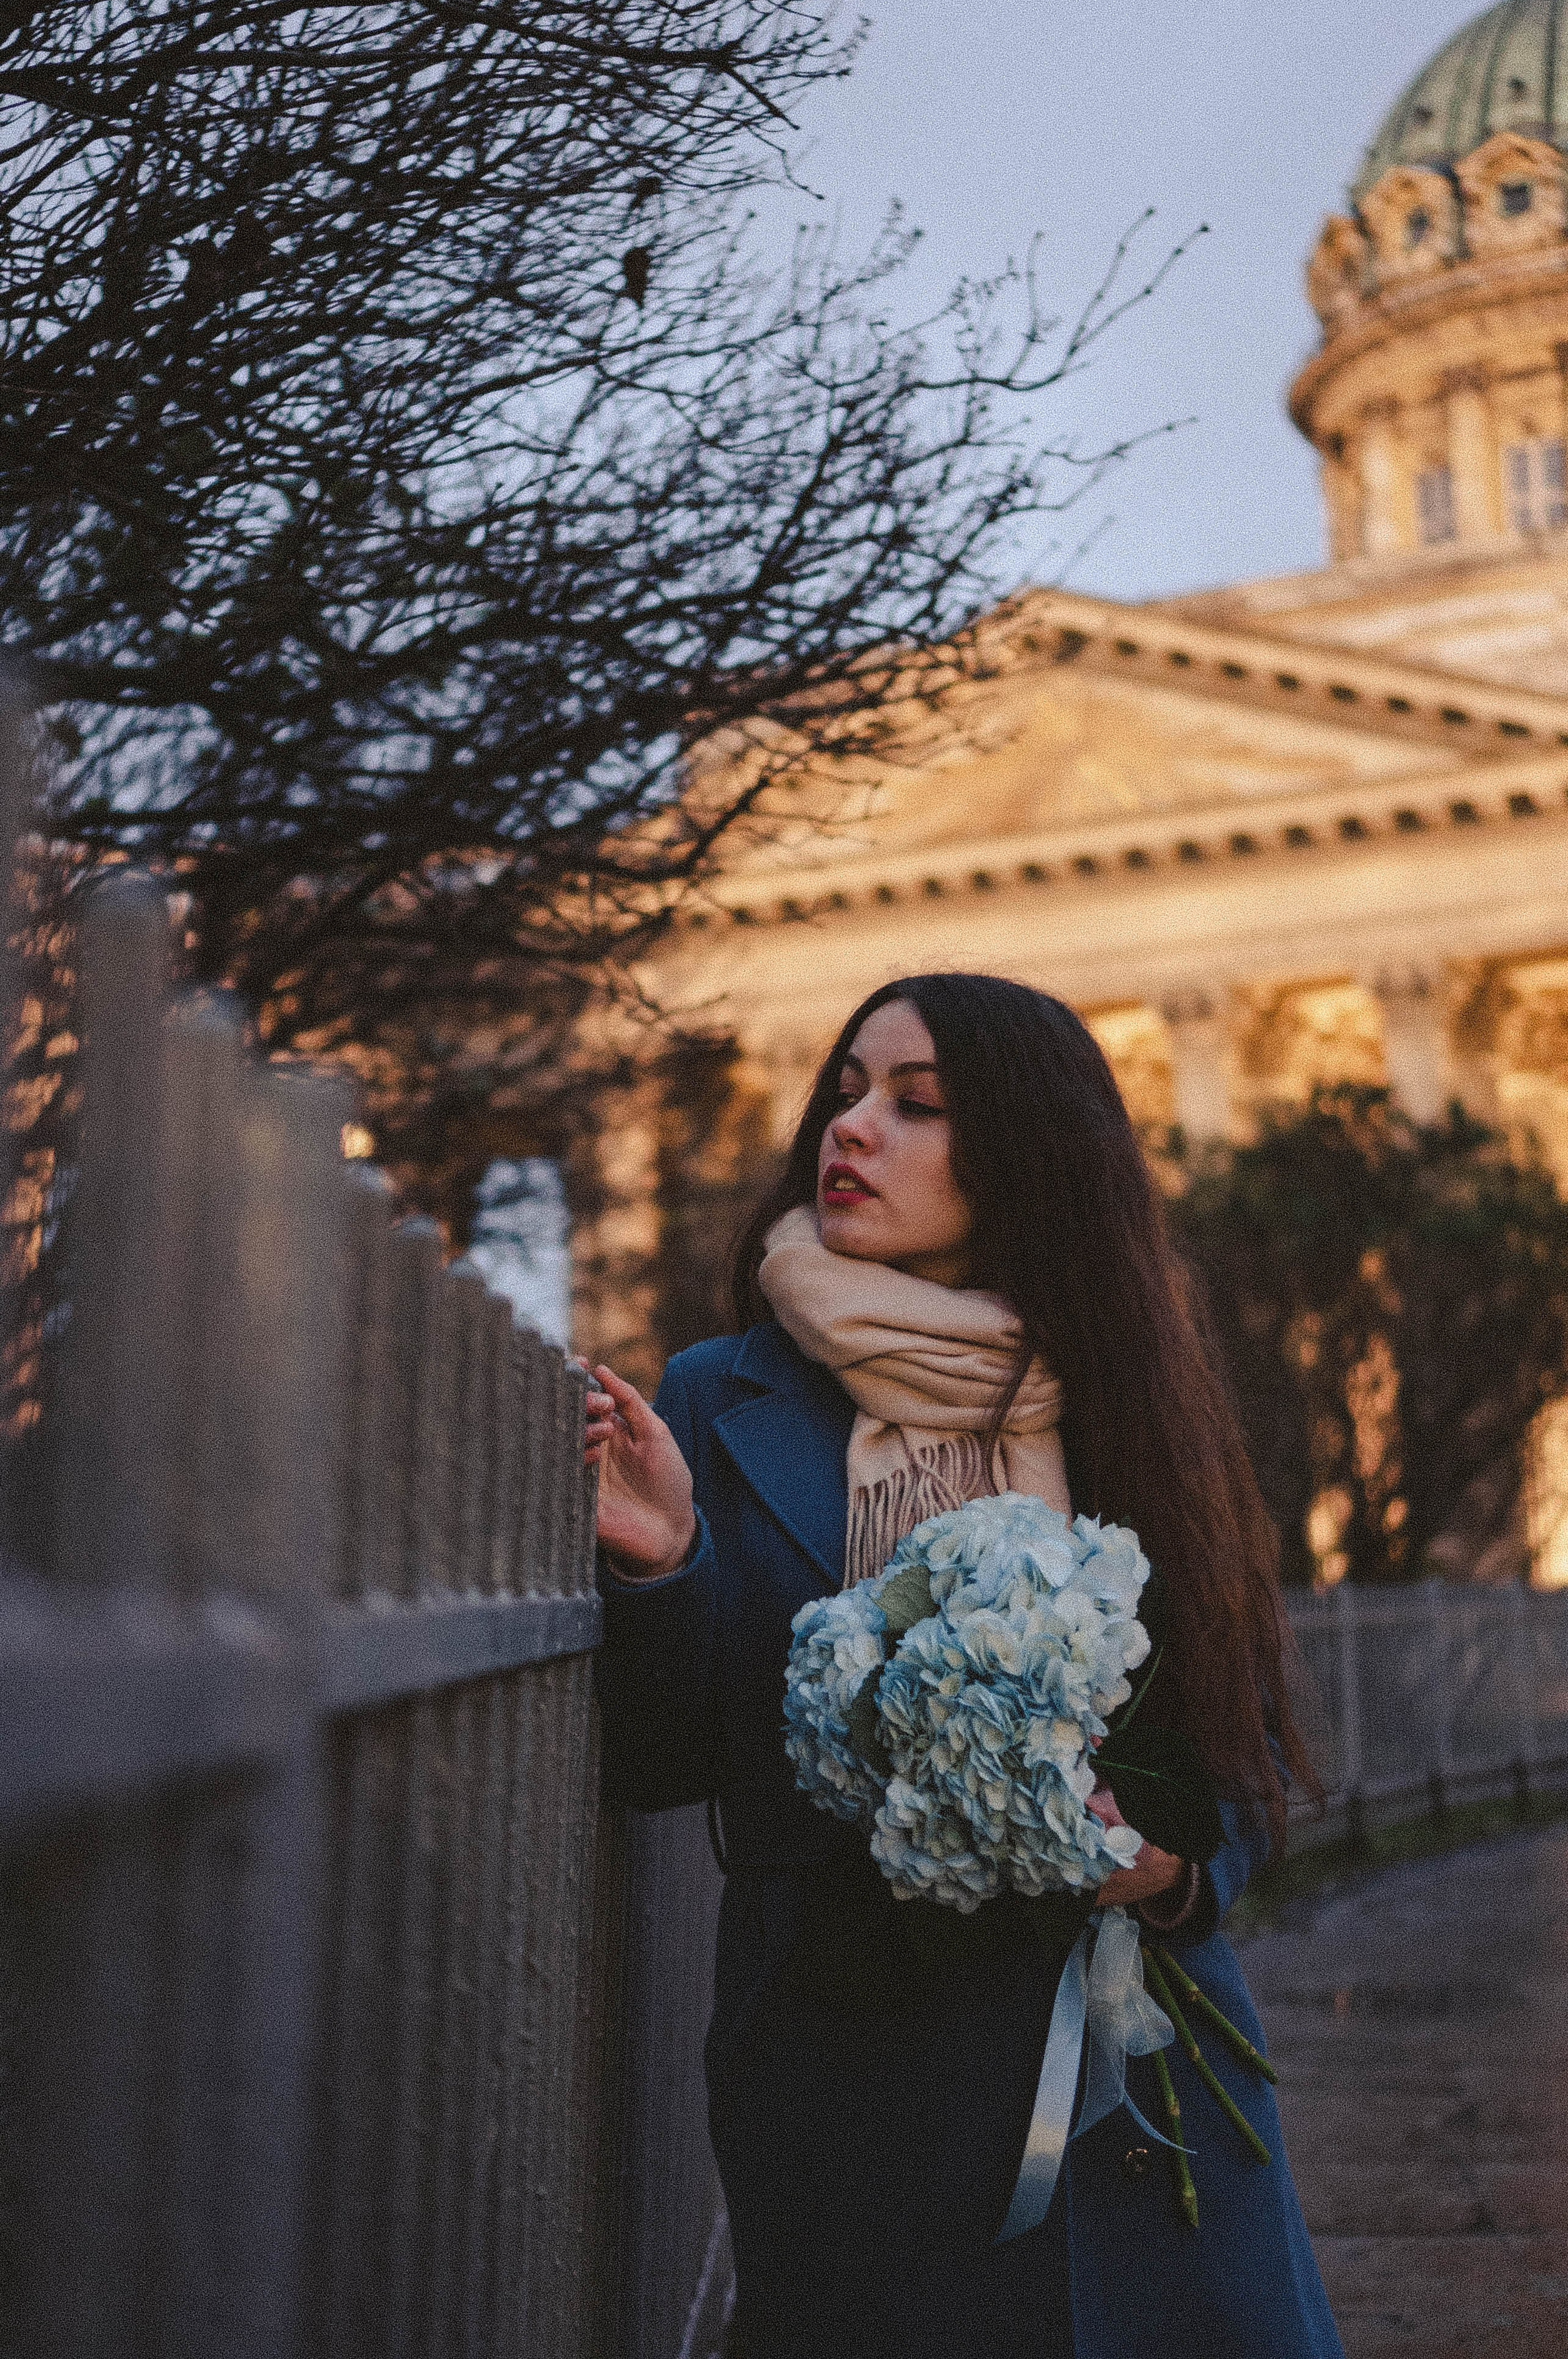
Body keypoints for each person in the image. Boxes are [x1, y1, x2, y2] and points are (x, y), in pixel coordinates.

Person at [585, 973, 1343, 2359]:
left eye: (916, 1104)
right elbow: (659, 1763)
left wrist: (1168, 1871)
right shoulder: (717, 1396)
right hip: (843, 2057)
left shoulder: (1127, 1395)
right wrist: (663, 1563)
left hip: (1124, 2064)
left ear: (1026, 1156)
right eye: (847, 1092)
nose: (854, 1128)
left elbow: (1234, 1759)